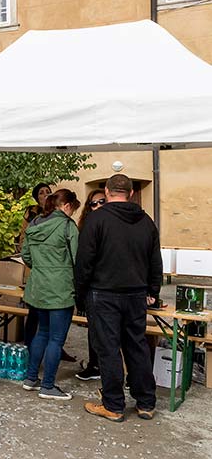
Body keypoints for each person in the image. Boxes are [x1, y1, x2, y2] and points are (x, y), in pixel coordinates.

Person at [76, 174, 161, 422]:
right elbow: (155, 261)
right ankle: (146, 402)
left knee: (109, 349)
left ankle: (113, 404)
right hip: (136, 293)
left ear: (107, 190)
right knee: (137, 346)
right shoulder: (146, 221)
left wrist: (80, 295)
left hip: (104, 293)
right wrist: (152, 292)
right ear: (131, 193)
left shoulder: (97, 219)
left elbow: (84, 262)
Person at [20, 189, 80, 401]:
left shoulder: (35, 223)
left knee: (41, 333)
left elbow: (25, 254)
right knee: (56, 338)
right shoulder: (67, 226)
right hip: (60, 289)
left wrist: (41, 267)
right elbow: (76, 259)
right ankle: (48, 385)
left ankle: (30, 378)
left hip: (38, 287)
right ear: (66, 206)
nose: (72, 213)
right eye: (72, 209)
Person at [74, 189, 107, 381]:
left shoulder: (113, 224)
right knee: (93, 330)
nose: (97, 206)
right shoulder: (85, 227)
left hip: (108, 285)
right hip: (92, 285)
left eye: (101, 201)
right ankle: (95, 365)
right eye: (93, 203)